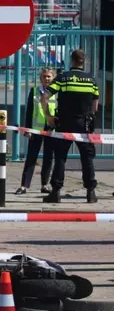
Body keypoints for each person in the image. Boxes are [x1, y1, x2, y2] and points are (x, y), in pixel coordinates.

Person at [40, 49, 99, 204]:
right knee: (87, 158)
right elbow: (95, 105)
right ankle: (90, 192)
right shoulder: (91, 80)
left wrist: (49, 116)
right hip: (84, 124)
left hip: (64, 123)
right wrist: (89, 116)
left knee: (60, 158)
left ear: (71, 60)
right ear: (83, 62)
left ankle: (56, 192)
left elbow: (45, 97)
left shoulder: (63, 78)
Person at [16, 67, 57, 194]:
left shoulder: (57, 93)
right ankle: (24, 185)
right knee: (31, 157)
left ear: (53, 78)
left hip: (51, 129)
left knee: (48, 158)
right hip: (36, 129)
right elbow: (29, 112)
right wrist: (27, 129)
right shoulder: (34, 91)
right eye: (44, 76)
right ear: (41, 78)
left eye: (49, 76)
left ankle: (45, 184)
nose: (47, 79)